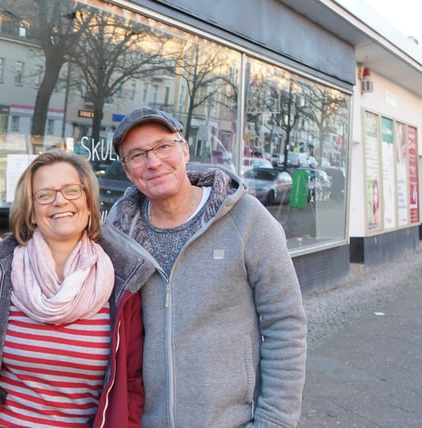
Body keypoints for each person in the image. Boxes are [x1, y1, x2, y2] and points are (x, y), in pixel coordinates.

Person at [105, 106, 307, 427]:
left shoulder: (247, 219)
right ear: (128, 170)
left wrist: (275, 422)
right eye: (138, 154)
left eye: (162, 146)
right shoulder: (119, 233)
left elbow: (285, 324)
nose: (153, 162)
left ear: (184, 150)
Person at [0, 150, 153, 427]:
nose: (60, 201)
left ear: (89, 203)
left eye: (71, 190)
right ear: (31, 212)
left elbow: (131, 384)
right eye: (45, 194)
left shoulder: (120, 282)